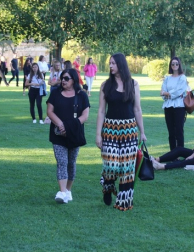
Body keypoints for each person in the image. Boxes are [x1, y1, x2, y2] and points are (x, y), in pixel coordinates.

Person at [96, 53, 146, 211]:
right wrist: (98, 134)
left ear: (121, 65)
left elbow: (137, 109)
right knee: (111, 165)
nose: (110, 66)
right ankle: (108, 186)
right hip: (110, 129)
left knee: (126, 168)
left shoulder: (133, 84)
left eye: (113, 63)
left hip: (129, 130)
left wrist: (142, 132)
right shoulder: (105, 85)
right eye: (109, 63)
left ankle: (124, 201)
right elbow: (101, 111)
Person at [46, 68, 90, 203]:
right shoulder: (55, 93)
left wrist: (70, 126)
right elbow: (49, 111)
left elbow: (85, 116)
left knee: (71, 162)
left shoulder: (81, 95)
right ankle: (62, 192)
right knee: (62, 162)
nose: (63, 81)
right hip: (58, 134)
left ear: (74, 80)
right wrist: (60, 125)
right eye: (62, 78)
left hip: (74, 134)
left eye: (66, 78)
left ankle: (68, 190)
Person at [161, 57, 188, 150]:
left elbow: (179, 91)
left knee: (179, 131)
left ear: (179, 65)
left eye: (176, 64)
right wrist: (166, 93)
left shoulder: (182, 78)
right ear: (170, 65)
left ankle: (180, 151)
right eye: (173, 64)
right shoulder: (167, 78)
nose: (175, 65)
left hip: (179, 106)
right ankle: (172, 153)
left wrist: (167, 93)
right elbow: (162, 92)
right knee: (171, 132)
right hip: (168, 106)